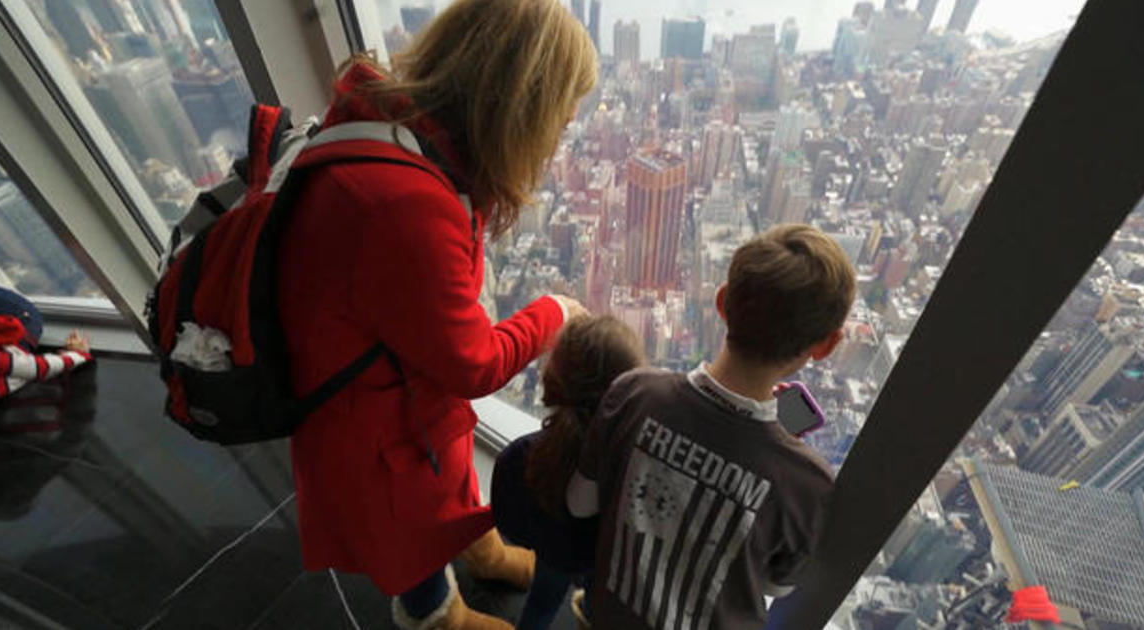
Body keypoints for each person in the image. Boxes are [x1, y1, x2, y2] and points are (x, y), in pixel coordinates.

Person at [275, 0, 598, 628]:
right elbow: (470, 363)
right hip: (371, 421)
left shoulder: (400, 132)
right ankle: (433, 613)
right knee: (405, 526)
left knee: (440, 488)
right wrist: (553, 313)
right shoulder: (405, 205)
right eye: (557, 121)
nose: (558, 138)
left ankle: (480, 552)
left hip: (394, 383)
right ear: (515, 108)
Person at [566, 224, 857, 630]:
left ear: (722, 302)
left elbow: (579, 504)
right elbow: (776, 588)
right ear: (826, 345)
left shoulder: (634, 394)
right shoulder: (808, 484)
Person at [490, 315, 645, 630]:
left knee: (541, 602)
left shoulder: (522, 456)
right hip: (600, 566)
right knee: (595, 605)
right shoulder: (633, 472)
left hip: (553, 556)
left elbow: (509, 522)